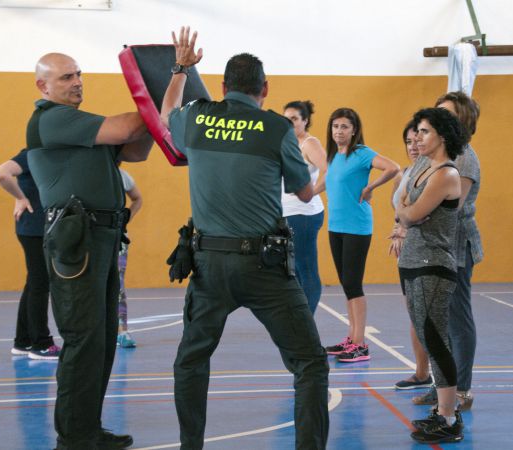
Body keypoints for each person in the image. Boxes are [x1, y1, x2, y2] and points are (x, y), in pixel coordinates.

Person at [160, 27, 329, 450]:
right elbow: (303, 192)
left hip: (209, 264)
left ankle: (190, 446)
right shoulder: (276, 129)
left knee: (191, 361)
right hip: (263, 266)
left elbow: (166, 114)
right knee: (309, 363)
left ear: (222, 87)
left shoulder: (197, 117)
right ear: (265, 89)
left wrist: (181, 68)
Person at [26, 52, 153, 450]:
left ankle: (87, 430)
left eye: (79, 74)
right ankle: (74, 438)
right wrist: (154, 98)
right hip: (78, 241)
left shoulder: (80, 125)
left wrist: (155, 120)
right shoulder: (52, 118)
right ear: (43, 86)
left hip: (102, 238)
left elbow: (137, 149)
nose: (77, 81)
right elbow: (128, 126)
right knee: (83, 339)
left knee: (100, 338)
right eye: (66, 77)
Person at [396, 107, 468, 444]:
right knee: (428, 338)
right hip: (412, 262)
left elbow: (410, 213)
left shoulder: (446, 174)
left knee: (436, 341)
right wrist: (407, 210)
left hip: (433, 266)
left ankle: (450, 417)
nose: (418, 138)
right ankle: (442, 411)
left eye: (424, 132)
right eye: (417, 132)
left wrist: (407, 210)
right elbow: (404, 206)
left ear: (441, 135)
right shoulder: (423, 170)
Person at [412, 92, 483, 410]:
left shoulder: (464, 158)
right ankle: (443, 386)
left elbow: (446, 208)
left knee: (456, 319)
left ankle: (462, 389)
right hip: (432, 247)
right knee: (434, 321)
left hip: (455, 247)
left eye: (447, 114)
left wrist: (412, 211)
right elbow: (407, 198)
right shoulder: (432, 158)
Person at [322, 107, 399, 363]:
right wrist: (305, 193)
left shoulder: (362, 153)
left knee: (354, 285)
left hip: (357, 227)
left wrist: (370, 187)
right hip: (336, 227)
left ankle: (361, 345)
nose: (339, 131)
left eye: (344, 127)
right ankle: (351, 338)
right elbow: (327, 181)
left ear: (354, 130)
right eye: (335, 126)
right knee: (347, 285)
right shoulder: (334, 157)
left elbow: (392, 167)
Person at [0, 149, 60, 360]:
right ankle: (41, 343)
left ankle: (22, 341)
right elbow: (1, 173)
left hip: (34, 228)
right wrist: (20, 197)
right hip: (33, 229)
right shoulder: (33, 152)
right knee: (40, 284)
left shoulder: (47, 154)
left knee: (34, 282)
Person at [390, 121, 432, 390]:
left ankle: (448, 385)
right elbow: (400, 211)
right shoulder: (404, 174)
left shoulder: (434, 173)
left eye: (418, 139)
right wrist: (397, 227)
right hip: (408, 254)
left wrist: (405, 226)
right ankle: (421, 373)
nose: (413, 146)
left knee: (430, 317)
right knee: (415, 314)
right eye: (408, 141)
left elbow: (423, 213)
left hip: (427, 251)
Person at [282, 100, 327, 314]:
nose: (290, 123)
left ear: (305, 120)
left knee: (306, 268)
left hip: (304, 215)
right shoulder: (287, 142)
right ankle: (300, 317)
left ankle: (306, 321)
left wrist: (311, 194)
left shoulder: (309, 143)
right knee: (295, 270)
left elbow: (329, 171)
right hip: (288, 213)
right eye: (287, 118)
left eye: (294, 119)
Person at [116, 165, 143, 348]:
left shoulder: (122, 176)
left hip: (118, 240)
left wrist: (126, 217)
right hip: (92, 241)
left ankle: (122, 331)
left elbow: (137, 198)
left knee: (118, 285)